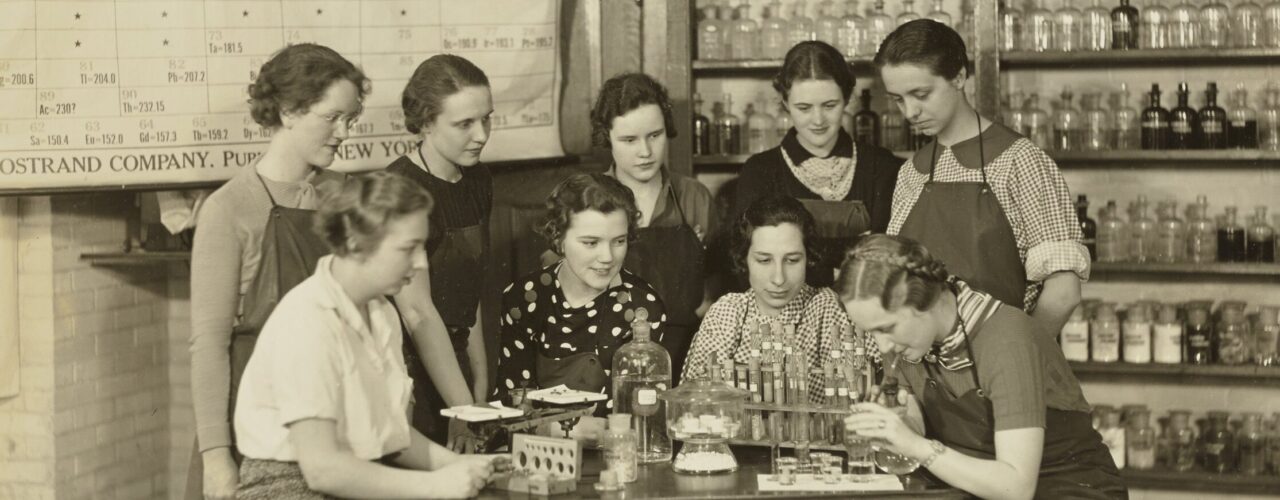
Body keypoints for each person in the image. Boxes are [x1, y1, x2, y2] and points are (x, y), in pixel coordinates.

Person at [233, 171, 505, 498]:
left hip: (353, 477)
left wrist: (461, 466)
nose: (421, 263)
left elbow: (393, 435)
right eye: (408, 248)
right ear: (355, 243)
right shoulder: (307, 320)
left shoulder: (382, 313)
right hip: (288, 488)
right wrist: (434, 485)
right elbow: (322, 470)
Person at [188, 44, 366, 499]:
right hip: (253, 434)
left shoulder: (344, 197)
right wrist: (217, 459)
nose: (344, 132)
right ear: (288, 112)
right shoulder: (228, 209)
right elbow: (208, 345)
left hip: (333, 425)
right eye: (332, 118)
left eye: (350, 118)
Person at [837, 234, 1126, 500]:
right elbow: (915, 423)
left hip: (1067, 490)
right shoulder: (907, 342)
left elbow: (1016, 487)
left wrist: (915, 446)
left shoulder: (1007, 340)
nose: (882, 346)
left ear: (926, 300)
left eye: (886, 329)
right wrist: (895, 425)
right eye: (871, 332)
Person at [876, 20, 1087, 338]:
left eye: (921, 94)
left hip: (1003, 366)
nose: (910, 112)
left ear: (959, 77)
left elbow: (1063, 291)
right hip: (926, 371)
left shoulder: (1020, 161)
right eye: (898, 99)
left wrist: (1015, 358)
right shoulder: (911, 172)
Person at [493, 173, 667, 417]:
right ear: (559, 238)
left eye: (619, 241)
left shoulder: (642, 308)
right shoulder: (524, 298)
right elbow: (513, 400)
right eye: (590, 243)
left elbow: (635, 411)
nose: (607, 257)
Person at [386, 54, 494, 443]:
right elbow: (418, 312)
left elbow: (471, 287)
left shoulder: (478, 179)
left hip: (457, 367)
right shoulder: (400, 189)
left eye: (486, 119)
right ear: (426, 122)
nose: (481, 135)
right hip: (409, 372)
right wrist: (462, 406)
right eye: (464, 124)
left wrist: (479, 383)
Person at [735, 40, 903, 288]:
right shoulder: (759, 171)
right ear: (785, 104)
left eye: (829, 106)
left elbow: (889, 260)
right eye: (804, 108)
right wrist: (851, 249)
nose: (818, 120)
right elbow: (743, 263)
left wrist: (806, 252)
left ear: (847, 99)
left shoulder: (883, 166)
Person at [590, 72, 715, 382]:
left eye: (655, 136)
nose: (645, 152)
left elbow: (716, 292)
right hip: (607, 364)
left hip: (686, 361)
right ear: (607, 136)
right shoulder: (587, 202)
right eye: (629, 140)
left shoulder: (693, 197)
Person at [683, 194, 852, 404]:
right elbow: (699, 403)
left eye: (792, 260)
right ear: (744, 258)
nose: (779, 278)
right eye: (764, 260)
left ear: (808, 257)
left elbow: (848, 401)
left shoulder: (827, 307)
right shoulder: (727, 311)